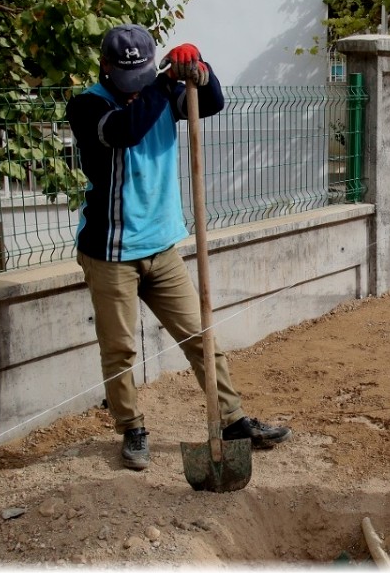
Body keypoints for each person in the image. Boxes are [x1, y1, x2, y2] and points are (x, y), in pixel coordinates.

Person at [67, 24, 291, 471]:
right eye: (127, 76)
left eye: (144, 75)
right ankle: (131, 428)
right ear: (105, 66)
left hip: (162, 245)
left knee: (200, 337)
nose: (136, 84)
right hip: (111, 252)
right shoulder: (88, 105)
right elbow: (127, 130)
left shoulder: (161, 92)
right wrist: (165, 81)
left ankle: (231, 421)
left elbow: (211, 102)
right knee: (120, 350)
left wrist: (199, 69)